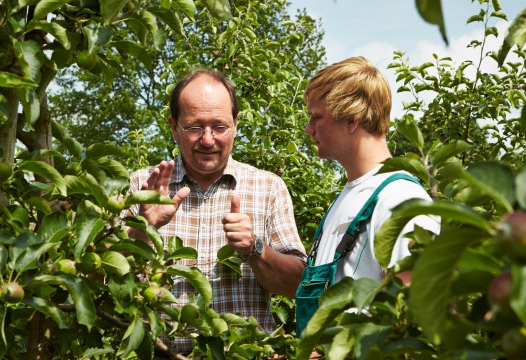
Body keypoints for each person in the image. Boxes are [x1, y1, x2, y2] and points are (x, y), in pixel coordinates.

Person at [122, 68, 307, 354]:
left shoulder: (268, 187)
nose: (208, 140)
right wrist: (141, 230)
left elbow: (298, 285)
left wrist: (255, 248)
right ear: (174, 127)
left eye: (219, 127)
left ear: (235, 125)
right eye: (195, 127)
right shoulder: (141, 185)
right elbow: (100, 276)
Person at [295, 56, 440, 335]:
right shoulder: (347, 197)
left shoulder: (400, 200)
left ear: (351, 119)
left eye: (316, 117)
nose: (308, 129)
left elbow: (415, 318)